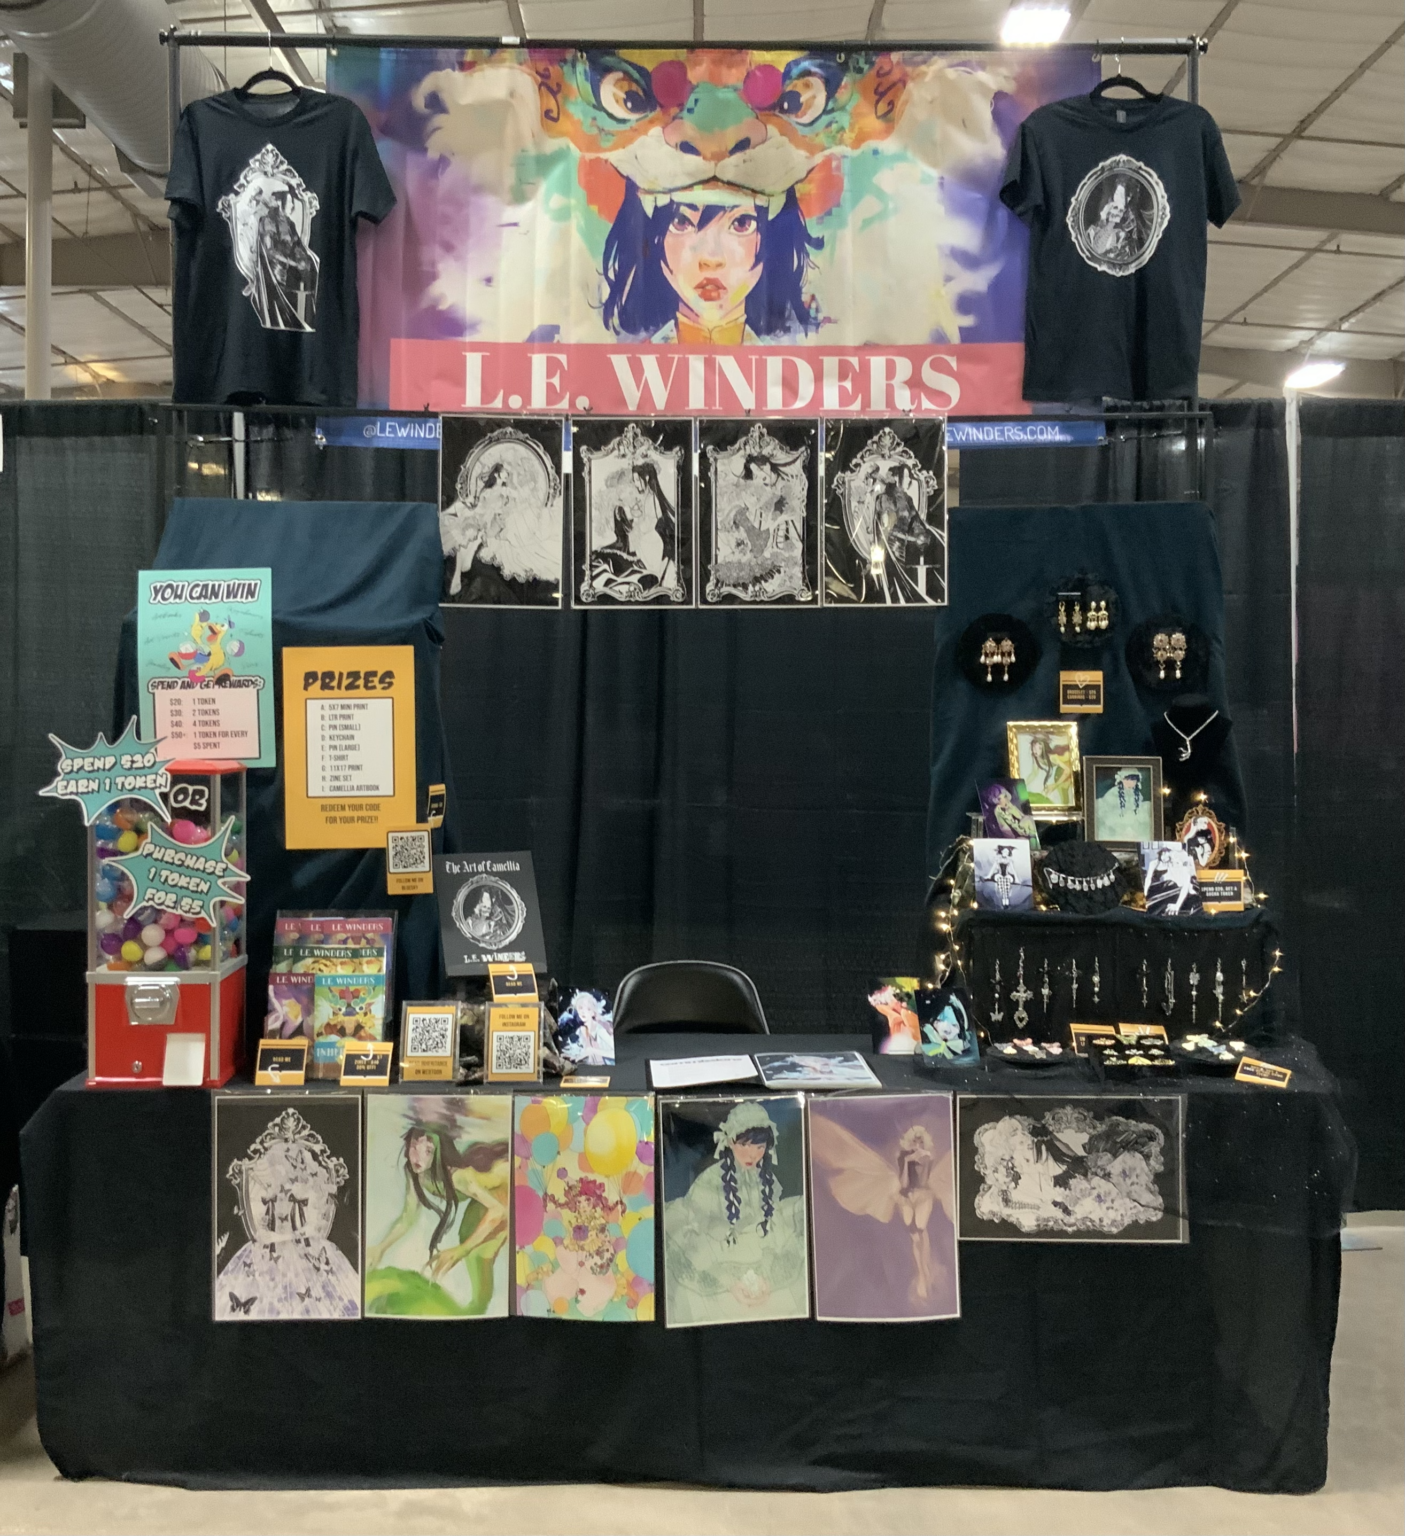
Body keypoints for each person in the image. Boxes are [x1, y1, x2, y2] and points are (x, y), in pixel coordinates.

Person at [602, 187, 820, 343]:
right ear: (653, 238)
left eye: (742, 223)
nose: (711, 258)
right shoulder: (626, 358)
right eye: (681, 221)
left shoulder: (795, 358)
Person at [664, 1102, 806, 1324]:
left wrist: (768, 1273)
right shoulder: (710, 1181)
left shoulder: (765, 1179)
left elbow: (773, 1227)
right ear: (730, 1141)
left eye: (760, 1147)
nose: (752, 1154)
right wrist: (725, 1279)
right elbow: (696, 1234)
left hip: (760, 1252)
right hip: (718, 1254)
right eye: (744, 1145)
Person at [365, 1121, 509, 1315]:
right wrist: (381, 1247)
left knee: (474, 1253)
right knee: (470, 1243)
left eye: (428, 1151)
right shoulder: (415, 1173)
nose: (418, 1157)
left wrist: (462, 1250)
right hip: (489, 1196)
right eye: (414, 1147)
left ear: (438, 1153)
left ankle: (475, 1313)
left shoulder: (457, 1177)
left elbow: (498, 1211)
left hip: (505, 1187)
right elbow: (408, 1217)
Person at [1096, 767, 1155, 842]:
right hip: (1115, 828)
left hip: (1134, 829)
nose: (1130, 783)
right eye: (1127, 779)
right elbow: (1106, 814)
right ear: (1121, 779)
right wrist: (1122, 829)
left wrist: (1133, 828)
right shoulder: (1113, 793)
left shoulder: (1138, 795)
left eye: (1133, 780)